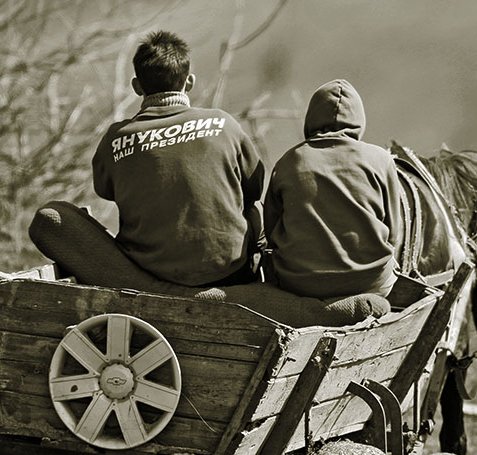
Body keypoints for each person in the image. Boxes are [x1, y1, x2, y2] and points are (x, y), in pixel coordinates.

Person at [91, 30, 265, 287]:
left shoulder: (116, 138)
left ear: (137, 87)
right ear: (190, 82)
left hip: (149, 272)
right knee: (254, 207)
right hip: (229, 270)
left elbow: (104, 191)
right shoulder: (224, 123)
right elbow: (254, 188)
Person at [263, 79, 402, 299]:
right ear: (358, 120)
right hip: (370, 283)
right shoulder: (381, 159)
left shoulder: (289, 162)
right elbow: (395, 233)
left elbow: (271, 231)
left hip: (298, 283)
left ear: (311, 118)